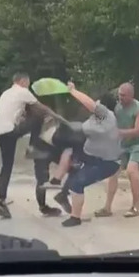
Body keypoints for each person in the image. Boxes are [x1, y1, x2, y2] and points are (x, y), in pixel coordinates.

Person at [51, 83, 123, 227]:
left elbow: (89, 103)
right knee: (70, 154)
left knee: (78, 183)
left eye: (97, 103)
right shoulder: (94, 119)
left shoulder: (106, 115)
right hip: (92, 156)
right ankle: (60, 185)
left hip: (107, 163)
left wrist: (72, 91)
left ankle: (75, 217)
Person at [0, 72, 55, 219]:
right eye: (28, 82)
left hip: (0, 133)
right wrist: (56, 117)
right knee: (39, 115)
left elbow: (13, 113)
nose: (28, 85)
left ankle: (1, 200)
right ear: (22, 81)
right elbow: (41, 108)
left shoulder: (5, 94)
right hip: (10, 131)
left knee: (6, 167)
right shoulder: (23, 92)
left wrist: (23, 118)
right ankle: (34, 147)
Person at [95, 82, 139, 218]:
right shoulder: (116, 107)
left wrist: (118, 132)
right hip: (121, 145)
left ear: (131, 96)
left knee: (131, 170)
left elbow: (137, 131)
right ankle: (107, 208)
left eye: (123, 95)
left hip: (137, 144)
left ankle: (136, 206)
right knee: (112, 172)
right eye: (119, 95)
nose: (120, 98)